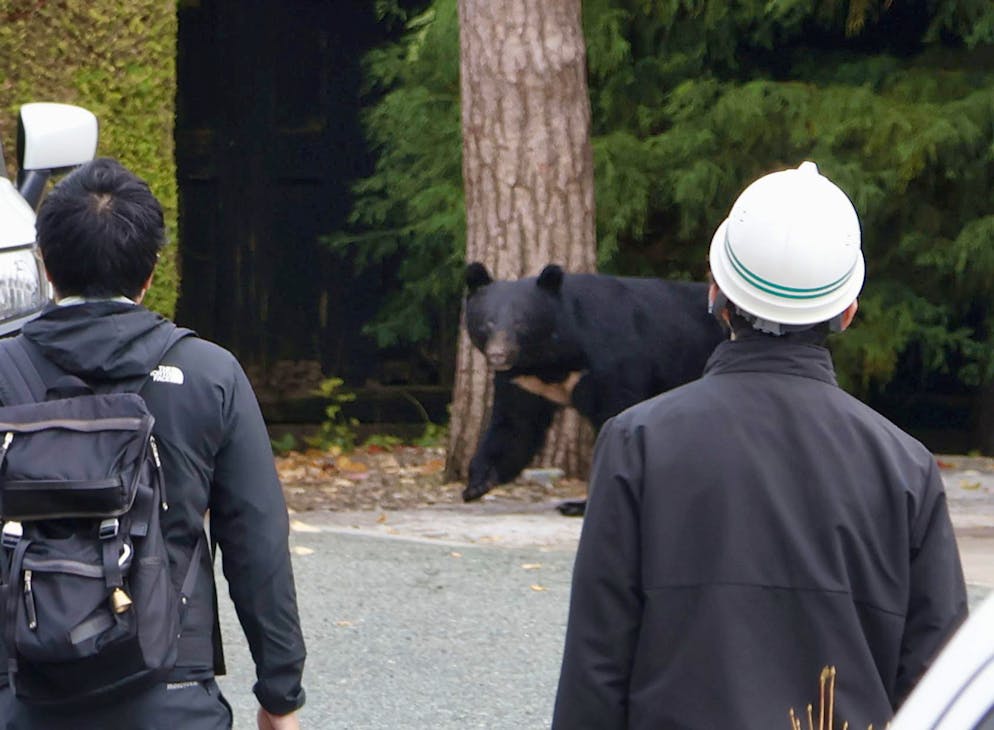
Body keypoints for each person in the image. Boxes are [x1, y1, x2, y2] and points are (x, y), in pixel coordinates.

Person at [552, 161, 968, 729]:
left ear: (716, 292)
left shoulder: (637, 443)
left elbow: (595, 667)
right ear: (847, 310)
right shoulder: (905, 467)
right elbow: (938, 684)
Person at [0, 158, 306, 729]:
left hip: (20, 690)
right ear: (150, 271)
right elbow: (256, 540)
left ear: (45, 264)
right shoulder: (209, 374)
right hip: (172, 688)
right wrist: (280, 692)